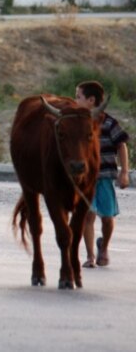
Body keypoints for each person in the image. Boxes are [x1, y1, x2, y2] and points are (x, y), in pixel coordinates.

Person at [75, 80, 130, 268]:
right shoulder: (78, 123)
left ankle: (103, 247)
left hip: (105, 177)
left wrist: (124, 172)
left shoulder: (108, 122)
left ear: (91, 100)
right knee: (87, 216)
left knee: (107, 218)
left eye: (78, 97)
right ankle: (90, 256)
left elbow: (121, 145)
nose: (76, 101)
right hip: (86, 179)